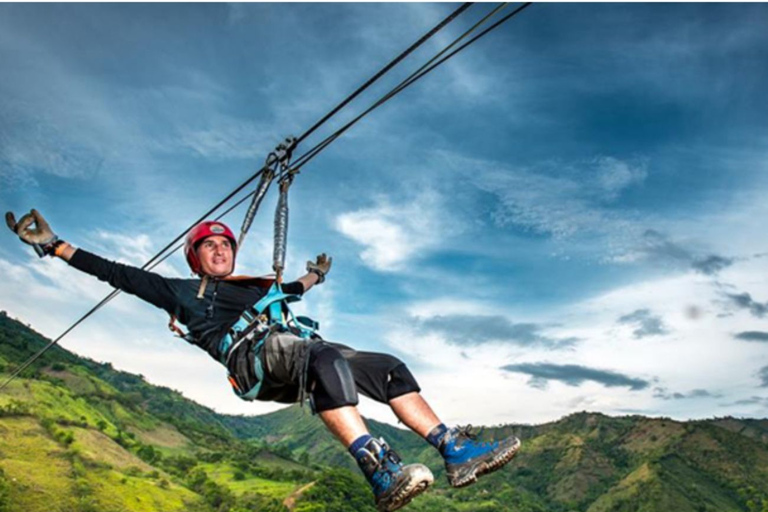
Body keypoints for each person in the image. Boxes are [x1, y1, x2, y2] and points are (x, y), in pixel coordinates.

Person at [5, 209, 521, 512]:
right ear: (196, 258)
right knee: (322, 356)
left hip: (293, 353)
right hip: (256, 361)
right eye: (209, 247)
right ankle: (378, 469)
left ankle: (453, 450)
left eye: (224, 245)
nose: (219, 251)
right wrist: (55, 246)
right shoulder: (182, 294)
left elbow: (293, 289)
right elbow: (116, 273)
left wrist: (315, 276)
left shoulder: (257, 289)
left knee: (385, 365)